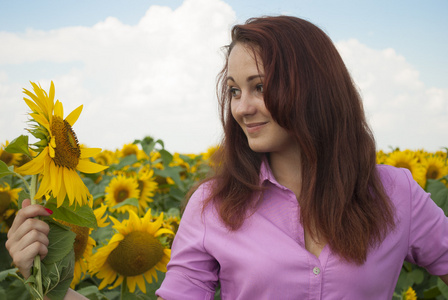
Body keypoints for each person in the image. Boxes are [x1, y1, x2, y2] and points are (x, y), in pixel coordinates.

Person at [6, 15, 448, 300]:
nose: (241, 107)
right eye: (234, 91)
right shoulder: (213, 205)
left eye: (259, 86)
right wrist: (54, 282)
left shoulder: (395, 192)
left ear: (315, 87)